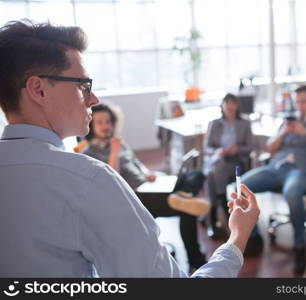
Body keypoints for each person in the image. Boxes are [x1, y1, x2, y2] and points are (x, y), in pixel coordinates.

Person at [0, 19, 260, 277]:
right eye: (83, 85)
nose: (94, 98)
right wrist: (236, 239)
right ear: (38, 89)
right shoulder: (88, 179)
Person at [81, 103, 209, 272]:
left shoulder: (118, 142)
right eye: (100, 122)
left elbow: (135, 162)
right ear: (91, 126)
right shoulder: (89, 154)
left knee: (196, 174)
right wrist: (113, 152)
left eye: (108, 121)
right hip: (134, 198)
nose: (106, 126)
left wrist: (148, 172)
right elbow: (111, 181)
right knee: (187, 209)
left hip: (149, 185)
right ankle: (195, 260)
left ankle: (183, 194)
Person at [240, 85, 306, 273]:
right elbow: (270, 149)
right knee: (242, 185)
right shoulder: (287, 123)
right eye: (296, 102)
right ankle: (253, 236)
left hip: (301, 170)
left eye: (303, 102)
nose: (299, 106)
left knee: (292, 193)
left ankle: (300, 246)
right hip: (276, 168)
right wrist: (283, 132)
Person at [203, 93, 254, 239]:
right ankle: (222, 205)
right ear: (222, 106)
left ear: (237, 106)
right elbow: (206, 148)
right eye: (227, 103)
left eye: (233, 103)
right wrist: (218, 151)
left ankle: (213, 216)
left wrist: (237, 149)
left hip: (235, 162)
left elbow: (250, 147)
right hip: (218, 160)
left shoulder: (244, 124)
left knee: (213, 173)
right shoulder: (214, 124)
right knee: (216, 166)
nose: (230, 106)